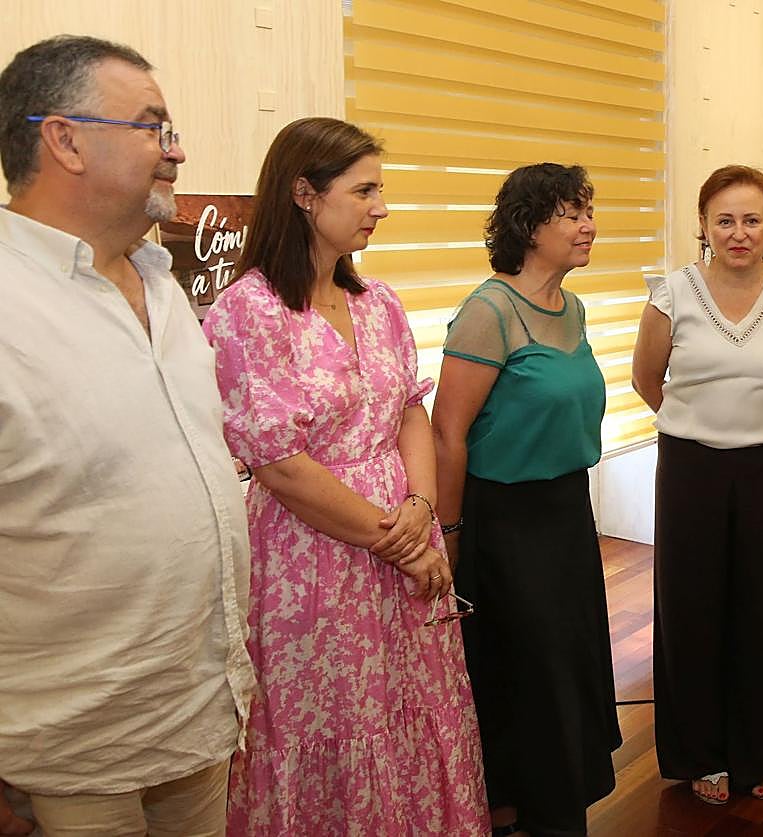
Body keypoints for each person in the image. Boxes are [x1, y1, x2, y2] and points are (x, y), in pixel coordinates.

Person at [202, 117, 488, 835]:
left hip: (402, 540)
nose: (380, 206)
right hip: (313, 559)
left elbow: (409, 413)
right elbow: (281, 466)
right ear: (304, 193)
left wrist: (421, 505)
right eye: (364, 190)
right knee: (328, 721)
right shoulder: (248, 311)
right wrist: (400, 541)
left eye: (379, 189)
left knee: (409, 711)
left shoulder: (379, 301)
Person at [0, 36, 254, 836]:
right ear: (64, 139)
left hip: (201, 710)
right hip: (72, 748)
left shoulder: (162, 282)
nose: (176, 152)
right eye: (153, 127)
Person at [632, 164, 763, 805]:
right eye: (725, 220)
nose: (739, 233)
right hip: (691, 466)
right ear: (703, 227)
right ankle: (700, 754)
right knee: (690, 611)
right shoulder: (672, 295)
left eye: (752, 219)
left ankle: (755, 755)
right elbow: (647, 380)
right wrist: (700, 423)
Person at [431, 162, 620, 837]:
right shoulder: (490, 310)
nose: (588, 225)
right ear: (528, 225)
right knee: (527, 671)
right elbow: (447, 433)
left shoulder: (572, 308)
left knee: (565, 661)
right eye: (571, 213)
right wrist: (448, 533)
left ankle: (548, 802)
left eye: (586, 211)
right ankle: (522, 808)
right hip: (505, 520)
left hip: (567, 510)